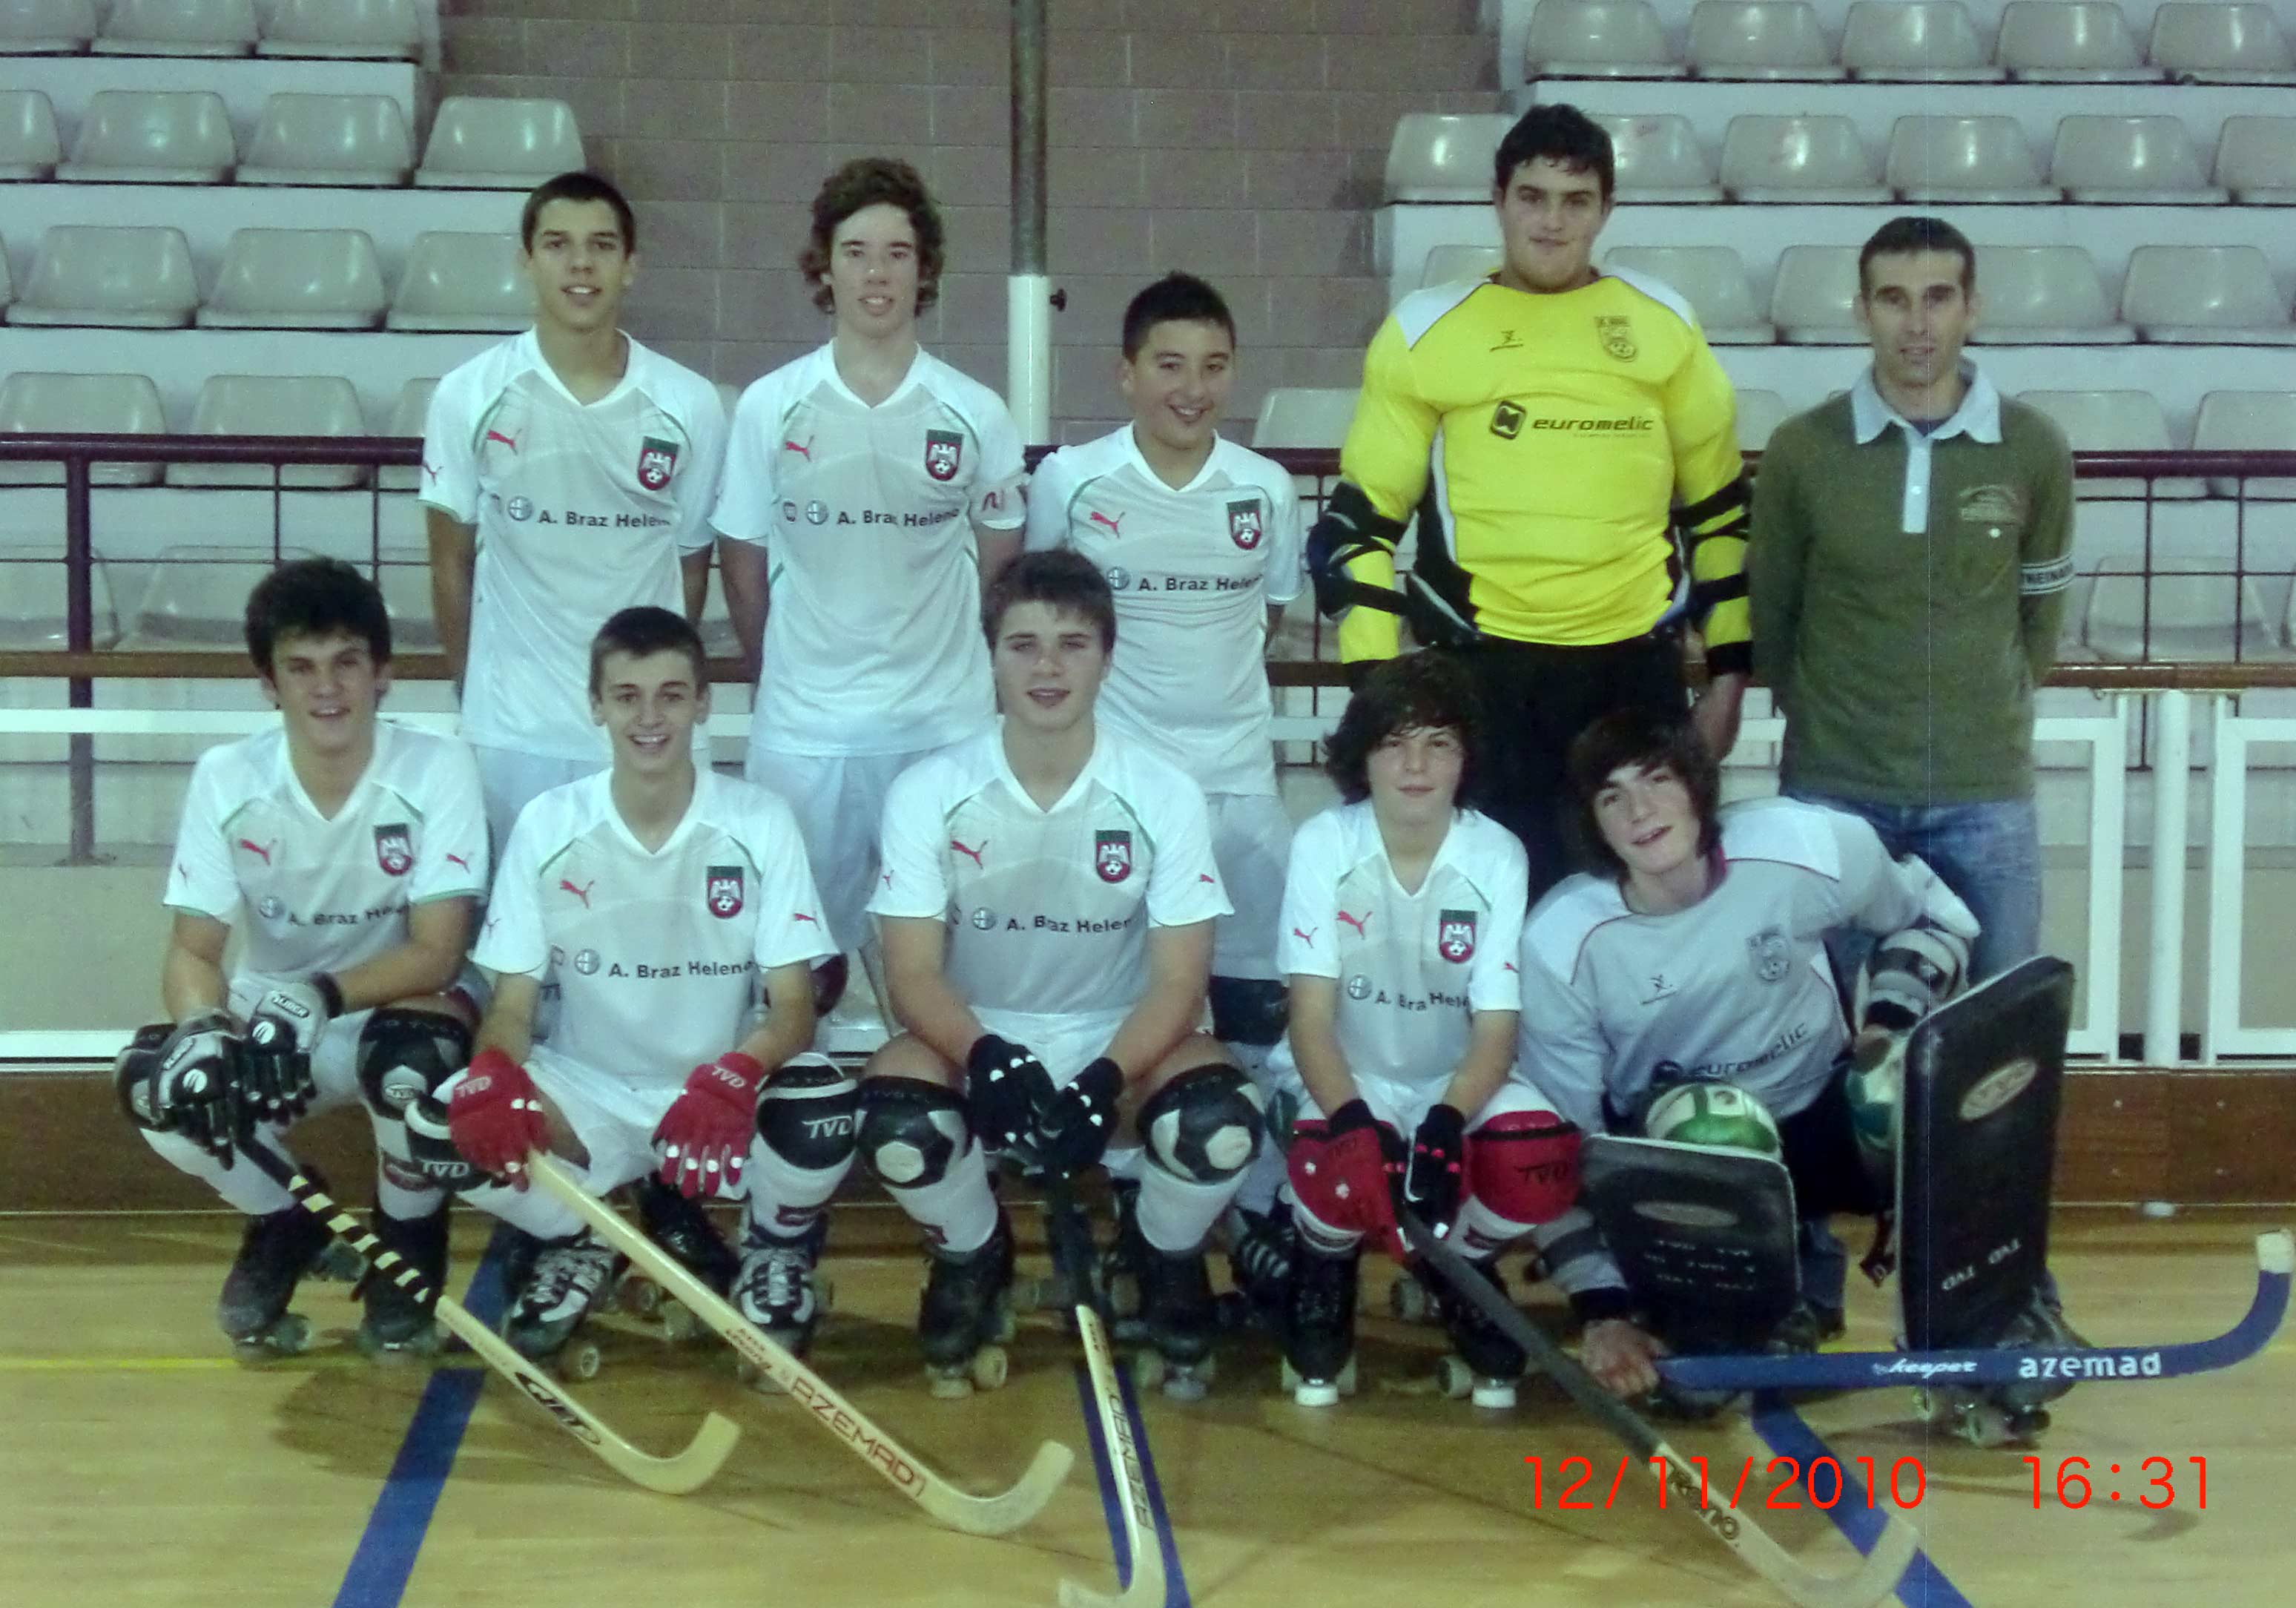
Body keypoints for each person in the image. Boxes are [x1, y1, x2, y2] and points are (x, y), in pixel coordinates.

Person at [1304, 102, 1751, 899]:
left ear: (1606, 210)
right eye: (1533, 197)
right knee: (1492, 917)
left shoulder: (1665, 325)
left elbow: (1719, 511)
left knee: (1648, 912)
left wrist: (1729, 676)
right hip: (1482, 676)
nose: (1552, 221)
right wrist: (1380, 694)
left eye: (1576, 201)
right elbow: (1360, 527)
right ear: (1498, 200)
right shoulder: (1425, 329)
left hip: (1633, 674)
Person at [855, 550, 1260, 1398]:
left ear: (1107, 657)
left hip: (1120, 1033)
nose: (1048, 667)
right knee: (898, 1117)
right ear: (991, 656)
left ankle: (1160, 1252)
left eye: (1073, 644)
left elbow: (1180, 981)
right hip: (981, 1033)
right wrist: (986, 1055)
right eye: (1024, 644)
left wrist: (1106, 1075)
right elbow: (913, 972)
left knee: (1219, 1119)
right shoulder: (930, 790)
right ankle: (975, 1251)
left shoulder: (1163, 791)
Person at [407, 607, 845, 1367]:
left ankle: (775, 1251)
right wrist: (492, 1070)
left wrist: (737, 1072)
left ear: (703, 703)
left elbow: (796, 1007)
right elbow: (513, 1005)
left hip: (716, 1093)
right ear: (596, 705)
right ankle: (580, 1237)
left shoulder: (759, 820)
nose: (649, 718)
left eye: (671, 695)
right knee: (438, 1127)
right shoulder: (549, 824)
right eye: (627, 696)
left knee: (823, 1104)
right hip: (590, 1093)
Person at [1516, 711, 1987, 1403]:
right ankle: (1740, 1315)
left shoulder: (1804, 845)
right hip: (1683, 1163)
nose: (1640, 811)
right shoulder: (1561, 941)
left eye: (1657, 781)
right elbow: (1555, 1148)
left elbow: (1933, 917)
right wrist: (1601, 1309)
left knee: (1932, 1090)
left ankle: (1981, 1321)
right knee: (1716, 1129)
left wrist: (1888, 1023)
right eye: (1612, 797)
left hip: (1816, 1118)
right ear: (1593, 824)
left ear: (1698, 787)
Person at [1021, 271, 1305, 1314]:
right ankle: (1130, 1213)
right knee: (1133, 1001)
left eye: (1214, 367)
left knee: (1256, 1004)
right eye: (1171, 365)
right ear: (1126, 373)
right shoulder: (1072, 481)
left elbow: (1269, 618)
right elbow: (1049, 626)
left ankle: (1258, 1211)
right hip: (1120, 793)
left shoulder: (1263, 490)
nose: (1193, 388)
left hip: (1237, 783)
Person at [116, 559, 486, 1357]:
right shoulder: (228, 777)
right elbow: (193, 948)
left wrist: (322, 993)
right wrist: (205, 1026)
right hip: (276, 1017)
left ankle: (408, 1246)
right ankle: (286, 1218)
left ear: (383, 673)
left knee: (411, 1064)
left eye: (347, 662)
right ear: (268, 684)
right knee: (161, 1086)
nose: (327, 688)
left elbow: (439, 950)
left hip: (394, 1006)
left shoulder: (436, 766)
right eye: (301, 667)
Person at [1270, 655, 1644, 1408]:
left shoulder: (1496, 852)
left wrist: (1445, 1120)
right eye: (1395, 743)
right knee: (1328, 1157)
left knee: (1538, 1157)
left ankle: (1457, 1264)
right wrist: (1353, 1120)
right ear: (1362, 756)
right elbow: (1309, 1017)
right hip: (1351, 1074)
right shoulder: (1324, 842)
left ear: (1466, 757)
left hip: (1454, 1078)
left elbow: (1497, 1024)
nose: (1416, 766)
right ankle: (1325, 1267)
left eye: (1438, 743)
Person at [711, 156, 1027, 1021]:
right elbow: (741, 551)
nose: (877, 273)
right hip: (807, 730)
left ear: (925, 269)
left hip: (941, 727)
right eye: (856, 252)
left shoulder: (975, 412)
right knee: (798, 971)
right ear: (825, 266)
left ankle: (928, 1096)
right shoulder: (771, 406)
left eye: (897, 253)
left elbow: (1000, 563)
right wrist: (776, 666)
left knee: (939, 968)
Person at [1749, 216, 2075, 984]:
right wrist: (1834, 725)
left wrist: (1985, 710)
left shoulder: (2034, 447)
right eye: (1894, 299)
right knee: (1827, 1027)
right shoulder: (1802, 450)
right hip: (1834, 791)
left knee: (1999, 1024)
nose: (1917, 323)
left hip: (1984, 792)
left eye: (1938, 297)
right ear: (1862, 311)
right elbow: (1775, 614)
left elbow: (2042, 609)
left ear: (1972, 307)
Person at [421, 170, 729, 849]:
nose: (581, 264)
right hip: (513, 730)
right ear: (526, 261)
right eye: (558, 244)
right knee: (514, 913)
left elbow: (691, 569)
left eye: (602, 245)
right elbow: (449, 564)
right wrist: (479, 695)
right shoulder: (467, 395)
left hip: (642, 729)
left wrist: (653, 690)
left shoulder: (690, 404)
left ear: (631, 266)